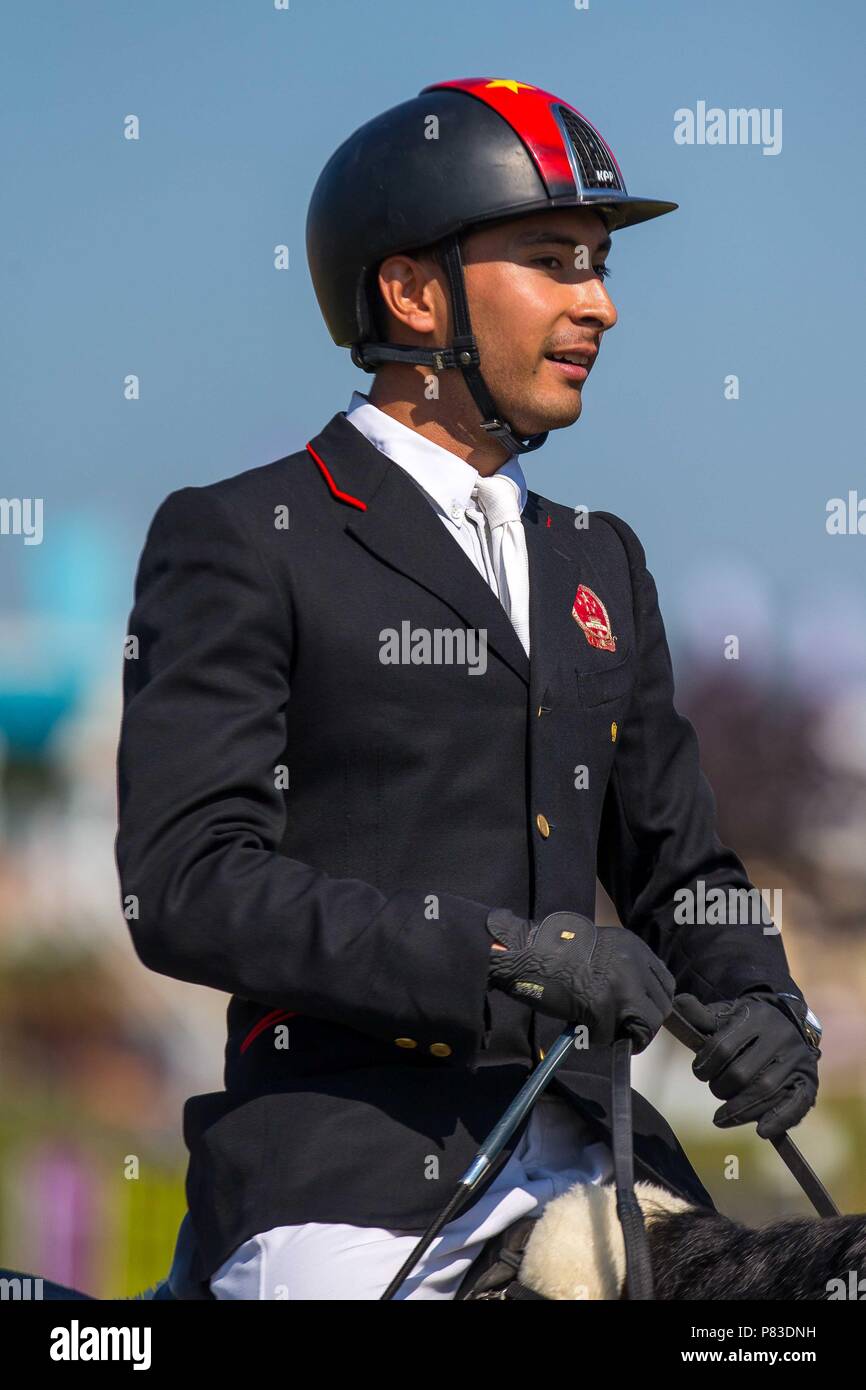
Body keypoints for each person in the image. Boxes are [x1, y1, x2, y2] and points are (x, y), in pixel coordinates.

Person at [115, 77, 821, 1301]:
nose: (597, 304)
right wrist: (504, 958)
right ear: (412, 291)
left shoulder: (601, 559)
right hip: (350, 1186)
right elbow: (184, 883)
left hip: (599, 1165)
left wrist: (757, 995)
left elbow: (681, 873)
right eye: (552, 262)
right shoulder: (246, 536)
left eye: (598, 266)